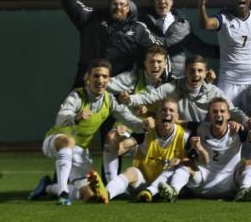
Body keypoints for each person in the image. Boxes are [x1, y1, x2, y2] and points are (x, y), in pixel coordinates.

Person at [29, 60, 149, 205]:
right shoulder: (77, 96)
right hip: (55, 142)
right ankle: (63, 193)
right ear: (88, 77)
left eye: (105, 77)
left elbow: (130, 121)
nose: (100, 80)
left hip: (80, 152)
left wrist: (144, 125)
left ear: (109, 80)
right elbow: (60, 118)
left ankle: (47, 187)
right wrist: (75, 117)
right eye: (96, 76)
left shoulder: (110, 101)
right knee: (69, 141)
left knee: (88, 195)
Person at [58, 0, 161, 87]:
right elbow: (72, 5)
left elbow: (157, 51)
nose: (118, 7)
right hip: (86, 81)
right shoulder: (91, 19)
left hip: (118, 86)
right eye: (115, 4)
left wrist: (159, 77)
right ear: (109, 6)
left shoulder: (138, 30)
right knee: (69, 106)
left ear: (128, 8)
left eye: (122, 5)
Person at [112, 0, 218, 78]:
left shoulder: (183, 25)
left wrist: (231, 51)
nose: (162, 1)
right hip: (147, 82)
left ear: (172, 1)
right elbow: (117, 2)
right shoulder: (140, 21)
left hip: (175, 84)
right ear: (153, 1)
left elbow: (200, 48)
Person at [148, 97, 251, 201]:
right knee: (186, 163)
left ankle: (244, 191)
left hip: (231, 183)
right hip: (202, 183)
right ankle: (173, 191)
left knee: (249, 162)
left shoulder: (238, 130)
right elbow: (181, 122)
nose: (218, 114)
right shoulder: (201, 128)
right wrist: (158, 120)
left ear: (228, 115)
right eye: (214, 112)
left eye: (222, 111)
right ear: (209, 115)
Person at [88, 99, 188, 203]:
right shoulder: (146, 131)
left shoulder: (184, 136)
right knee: (130, 171)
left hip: (167, 185)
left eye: (171, 110)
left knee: (182, 167)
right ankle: (107, 193)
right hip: (143, 182)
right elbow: (120, 149)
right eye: (163, 110)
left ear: (177, 116)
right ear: (157, 114)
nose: (167, 113)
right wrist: (117, 137)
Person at [103, 45, 171, 183]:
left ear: (165, 63)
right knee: (111, 139)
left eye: (159, 62)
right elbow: (107, 84)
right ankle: (111, 185)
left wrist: (150, 112)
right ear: (145, 63)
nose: (155, 65)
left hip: (157, 130)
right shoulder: (133, 77)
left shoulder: (172, 83)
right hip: (131, 125)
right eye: (151, 61)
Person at [119, 55, 248, 125]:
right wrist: (129, 98)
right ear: (185, 72)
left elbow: (232, 110)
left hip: (204, 135)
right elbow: (149, 96)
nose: (196, 74)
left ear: (205, 73)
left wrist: (247, 121)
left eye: (200, 71)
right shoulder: (172, 86)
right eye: (191, 70)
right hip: (179, 134)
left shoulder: (214, 92)